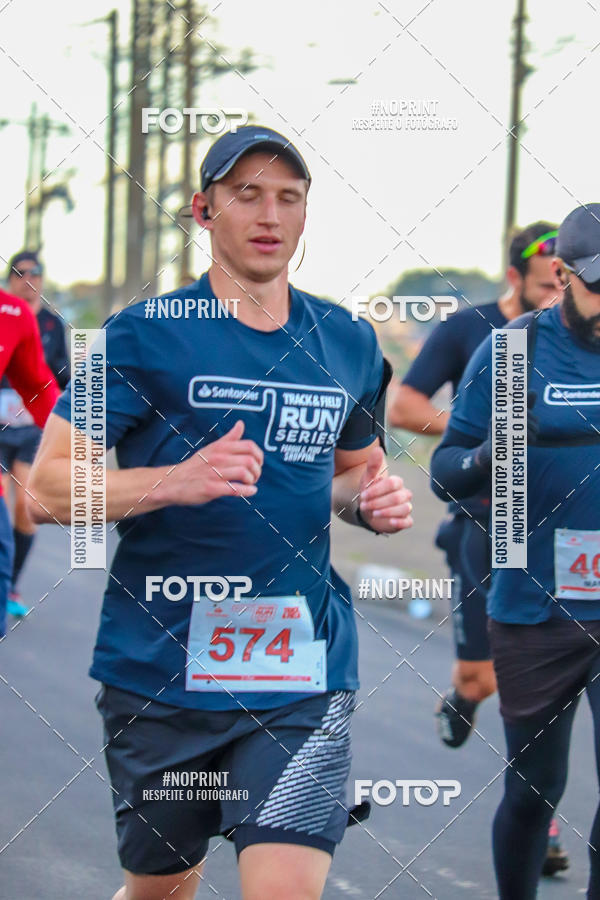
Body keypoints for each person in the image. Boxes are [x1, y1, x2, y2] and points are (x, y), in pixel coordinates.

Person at [28, 125, 414, 900]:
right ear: (204, 211)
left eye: (288, 197)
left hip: (301, 672)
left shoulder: (347, 342)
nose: (269, 214)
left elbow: (344, 481)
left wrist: (370, 505)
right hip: (161, 673)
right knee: (162, 890)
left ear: (306, 215)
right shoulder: (138, 338)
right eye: (247, 194)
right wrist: (173, 481)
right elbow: (44, 490)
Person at [429, 203, 600, 899]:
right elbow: (445, 469)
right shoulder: (513, 353)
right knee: (536, 791)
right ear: (560, 276)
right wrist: (489, 456)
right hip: (536, 601)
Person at [388, 222, 568, 874]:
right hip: (484, 521)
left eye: (570, 283)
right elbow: (405, 407)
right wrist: (481, 429)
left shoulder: (579, 341)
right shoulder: (474, 331)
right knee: (482, 676)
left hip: (559, 536)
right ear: (517, 277)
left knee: (551, 682)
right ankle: (464, 694)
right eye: (551, 284)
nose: (562, 297)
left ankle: (539, 820)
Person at [0, 251, 69, 617]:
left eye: (35, 273)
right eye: (21, 273)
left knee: (26, 508)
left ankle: (10, 585)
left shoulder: (51, 325)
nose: (29, 279)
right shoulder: (6, 313)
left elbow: (55, 381)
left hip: (30, 432)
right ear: (10, 279)